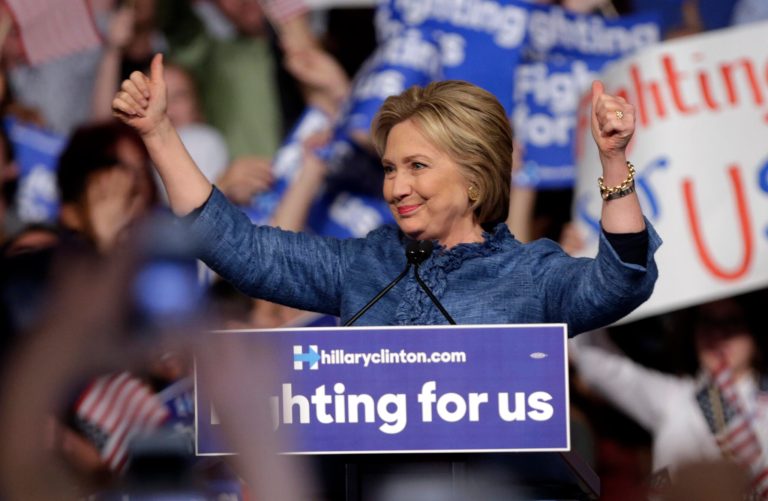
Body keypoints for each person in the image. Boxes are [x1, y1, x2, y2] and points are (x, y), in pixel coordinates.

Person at [111, 54, 660, 333]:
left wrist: (612, 159)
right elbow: (241, 251)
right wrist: (159, 133)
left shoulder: (531, 275)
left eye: (417, 166)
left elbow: (620, 283)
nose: (396, 187)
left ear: (475, 178)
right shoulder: (365, 266)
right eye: (391, 167)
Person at [570, 291, 768, 497]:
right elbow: (596, 363)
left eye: (732, 322)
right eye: (707, 322)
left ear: (754, 331)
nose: (718, 334)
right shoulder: (673, 397)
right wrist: (590, 285)